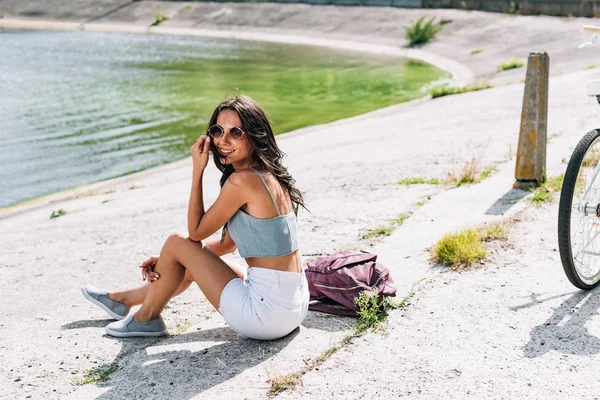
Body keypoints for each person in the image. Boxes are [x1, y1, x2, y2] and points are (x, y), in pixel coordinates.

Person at [82, 95, 309, 340]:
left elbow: (196, 233)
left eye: (235, 132)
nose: (223, 140)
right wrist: (171, 258)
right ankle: (121, 299)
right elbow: (227, 244)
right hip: (292, 304)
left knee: (177, 239)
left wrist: (197, 170)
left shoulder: (242, 180)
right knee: (180, 255)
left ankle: (145, 319)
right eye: (218, 131)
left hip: (266, 315)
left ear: (255, 135)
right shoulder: (269, 175)